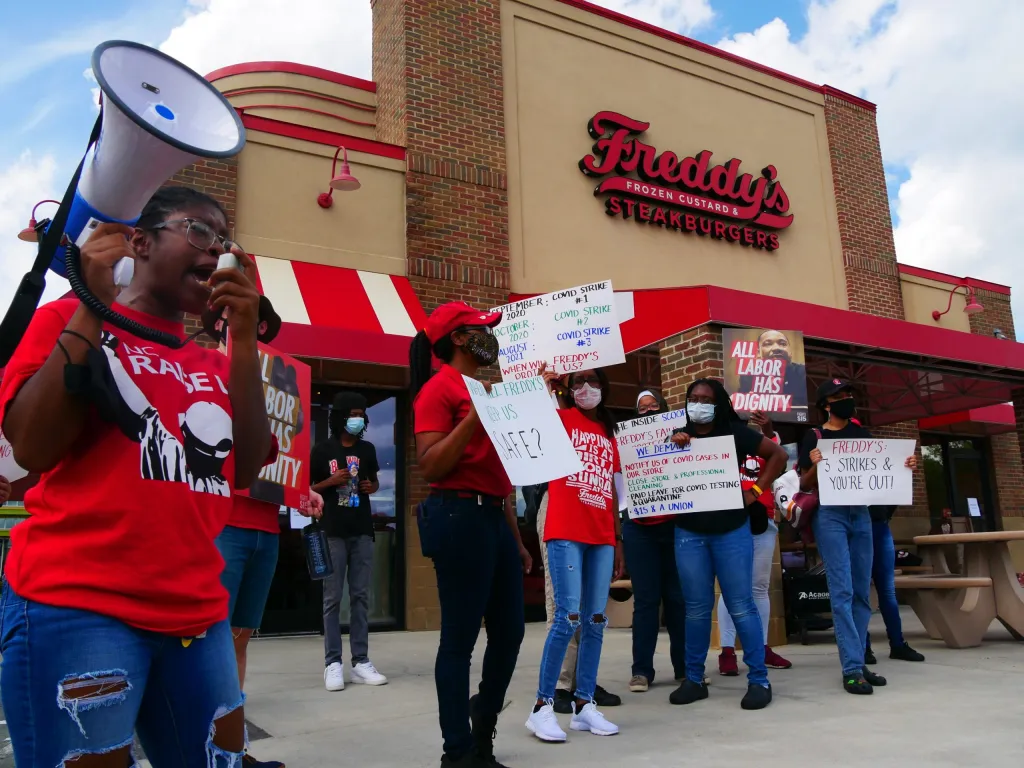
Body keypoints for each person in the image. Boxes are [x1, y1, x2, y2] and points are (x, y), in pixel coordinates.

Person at [0, 186, 273, 766]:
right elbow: (31, 445)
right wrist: (89, 306)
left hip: (198, 614)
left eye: (227, 242)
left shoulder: (214, 363)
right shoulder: (62, 320)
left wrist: (244, 339)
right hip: (78, 605)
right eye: (200, 231)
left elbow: (246, 468)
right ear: (140, 243)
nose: (218, 252)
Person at [410, 301, 532, 768]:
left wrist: (515, 537)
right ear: (458, 339)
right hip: (457, 516)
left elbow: (499, 473)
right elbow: (431, 464)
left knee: (511, 632)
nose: (490, 337)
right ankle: (457, 753)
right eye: (481, 329)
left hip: (492, 519)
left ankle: (483, 723)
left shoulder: (485, 387)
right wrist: (476, 416)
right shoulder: (438, 390)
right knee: (459, 641)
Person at [668, 379, 787, 710]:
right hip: (689, 531)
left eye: (705, 399)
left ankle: (759, 680)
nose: (698, 403)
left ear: (718, 403)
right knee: (695, 607)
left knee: (741, 603)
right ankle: (693, 679)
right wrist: (672, 444)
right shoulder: (677, 434)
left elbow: (778, 456)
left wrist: (757, 492)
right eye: (692, 398)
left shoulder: (736, 432)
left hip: (732, 529)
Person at [799, 379, 918, 694]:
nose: (846, 400)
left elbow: (883, 472)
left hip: (861, 515)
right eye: (839, 397)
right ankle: (851, 669)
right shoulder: (815, 436)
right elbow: (804, 484)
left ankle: (858, 661)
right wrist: (813, 466)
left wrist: (905, 466)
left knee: (863, 593)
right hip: (831, 515)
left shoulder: (862, 434)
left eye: (848, 395)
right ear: (825, 404)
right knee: (842, 592)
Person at [526, 367, 625, 742]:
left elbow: (614, 490)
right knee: (566, 617)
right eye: (579, 382)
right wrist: (544, 385)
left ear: (604, 387)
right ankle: (542, 706)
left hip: (600, 533)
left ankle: (584, 705)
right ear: (569, 389)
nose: (587, 388)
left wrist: (617, 539)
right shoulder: (560, 419)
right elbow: (531, 419)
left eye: (594, 381)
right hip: (565, 529)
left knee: (596, 620)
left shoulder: (607, 433)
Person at [217, 490, 323, 768]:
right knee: (210, 643)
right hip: (223, 523)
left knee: (239, 641)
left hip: (266, 531)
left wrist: (301, 492)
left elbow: (278, 467)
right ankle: (202, 753)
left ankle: (231, 755)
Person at [311, 391, 388, 690]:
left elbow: (377, 481)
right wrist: (329, 483)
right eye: (353, 414)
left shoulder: (367, 449)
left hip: (361, 530)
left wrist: (372, 485)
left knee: (360, 597)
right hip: (332, 531)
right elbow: (308, 488)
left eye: (362, 414)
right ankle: (333, 663)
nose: (358, 419)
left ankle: (361, 661)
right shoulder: (322, 450)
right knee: (332, 599)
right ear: (340, 416)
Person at [717, 410, 793, 677]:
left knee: (759, 586)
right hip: (729, 518)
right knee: (730, 587)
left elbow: (780, 463)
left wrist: (769, 430)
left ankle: (761, 648)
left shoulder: (765, 443)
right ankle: (727, 650)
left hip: (762, 519)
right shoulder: (721, 443)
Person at [622, 390, 687, 693]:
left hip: (674, 527)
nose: (647, 411)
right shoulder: (624, 442)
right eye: (641, 408)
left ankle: (684, 667)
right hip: (639, 529)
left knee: (677, 599)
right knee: (646, 601)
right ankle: (641, 671)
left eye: (653, 406)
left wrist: (684, 446)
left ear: (664, 409)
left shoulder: (680, 436)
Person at [864, 505, 926, 665]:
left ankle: (897, 644)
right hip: (859, 525)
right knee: (861, 592)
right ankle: (863, 647)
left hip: (881, 525)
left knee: (888, 591)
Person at [738, 329, 808, 409]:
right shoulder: (748, 376)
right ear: (758, 353)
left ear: (790, 352)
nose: (777, 348)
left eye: (782, 344)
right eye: (768, 344)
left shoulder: (802, 373)